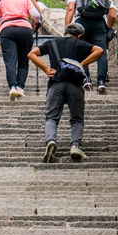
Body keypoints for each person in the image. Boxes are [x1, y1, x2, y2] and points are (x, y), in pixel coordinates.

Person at [29, 22, 103, 162]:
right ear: (79, 36)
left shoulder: (53, 43)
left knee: (51, 117)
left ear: (65, 33)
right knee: (76, 118)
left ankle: (51, 141)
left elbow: (31, 54)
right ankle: (75, 145)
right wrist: (82, 64)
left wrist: (46, 69)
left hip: (56, 84)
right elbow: (99, 51)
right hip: (75, 85)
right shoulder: (81, 44)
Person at [65, 0, 117, 94]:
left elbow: (70, 9)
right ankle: (101, 81)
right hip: (99, 24)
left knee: (81, 50)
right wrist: (107, 27)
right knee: (101, 51)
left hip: (81, 23)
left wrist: (67, 28)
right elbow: (112, 14)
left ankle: (86, 78)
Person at [0, 0, 40, 101]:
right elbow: (35, 15)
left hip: (7, 29)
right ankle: (20, 87)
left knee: (10, 61)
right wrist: (37, 22)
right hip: (24, 29)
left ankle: (12, 87)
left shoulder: (2, 1)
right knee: (23, 60)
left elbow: (0, 20)